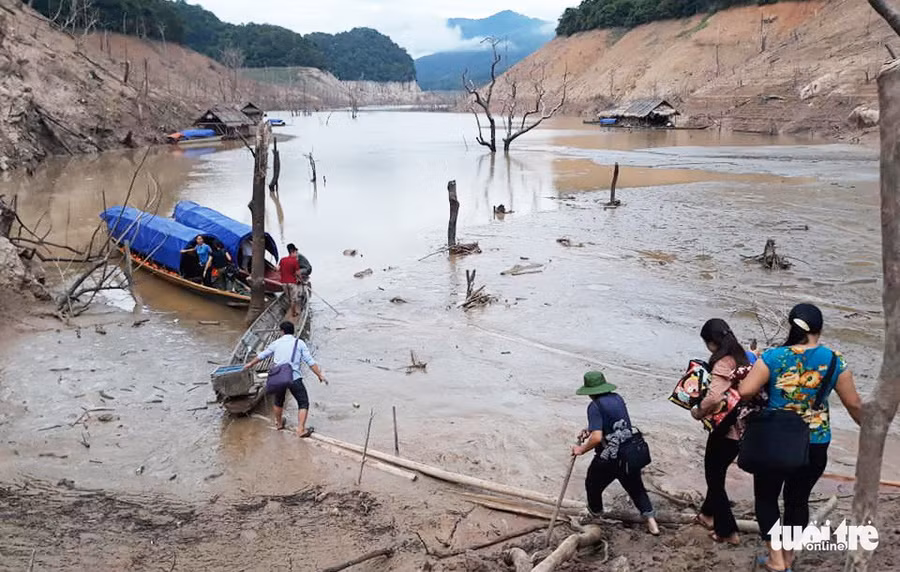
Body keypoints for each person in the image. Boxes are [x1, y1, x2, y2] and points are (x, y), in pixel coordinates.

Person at [739, 303, 863, 572]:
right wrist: (868, 431)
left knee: (767, 497)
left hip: (773, 439)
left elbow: (746, 390)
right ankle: (790, 556)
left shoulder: (773, 357)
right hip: (814, 442)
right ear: (819, 329)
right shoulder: (834, 360)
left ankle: (776, 559)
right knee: (798, 499)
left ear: (791, 326)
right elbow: (854, 404)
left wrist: (753, 364)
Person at [572, 371, 660, 536]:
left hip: (609, 456)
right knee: (636, 488)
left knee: (592, 483)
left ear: (590, 391)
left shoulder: (594, 406)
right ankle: (652, 522)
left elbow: (597, 438)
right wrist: (590, 428)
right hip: (630, 453)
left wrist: (581, 449)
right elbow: (614, 423)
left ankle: (596, 515)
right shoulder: (617, 398)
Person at [691, 319, 751, 545]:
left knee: (714, 477)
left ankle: (728, 530)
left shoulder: (722, 363)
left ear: (712, 342)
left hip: (725, 430)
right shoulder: (743, 356)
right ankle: (707, 514)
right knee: (718, 471)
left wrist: (697, 411)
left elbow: (714, 397)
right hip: (743, 428)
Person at [242, 321, 327, 437]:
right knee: (303, 402)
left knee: (278, 401)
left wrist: (250, 364)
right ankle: (301, 429)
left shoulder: (276, 343)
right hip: (294, 377)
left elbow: (263, 355)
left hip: (279, 377)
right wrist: (319, 375)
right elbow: (310, 361)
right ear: (293, 331)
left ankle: (279, 424)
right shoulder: (299, 343)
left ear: (282, 331)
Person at [279, 244, 302, 318]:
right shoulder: (295, 261)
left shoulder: (282, 260)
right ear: (292, 252)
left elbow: (278, 269)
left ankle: (289, 310)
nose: (296, 254)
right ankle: (294, 313)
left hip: (283, 283)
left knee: (288, 298)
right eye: (295, 252)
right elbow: (298, 273)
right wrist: (301, 280)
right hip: (292, 283)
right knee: (293, 299)